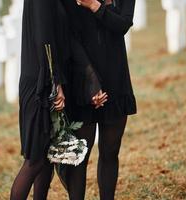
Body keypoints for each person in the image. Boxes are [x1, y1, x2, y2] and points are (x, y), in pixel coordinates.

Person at [10, 0, 107, 199]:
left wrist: (91, 78)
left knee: (46, 161)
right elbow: (44, 40)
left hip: (47, 79)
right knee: (34, 161)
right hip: (40, 83)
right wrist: (55, 84)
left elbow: (67, 38)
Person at [61, 0, 137, 199]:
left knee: (110, 153)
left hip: (115, 80)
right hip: (82, 78)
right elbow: (69, 35)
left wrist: (96, 6)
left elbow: (123, 25)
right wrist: (90, 80)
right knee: (79, 156)